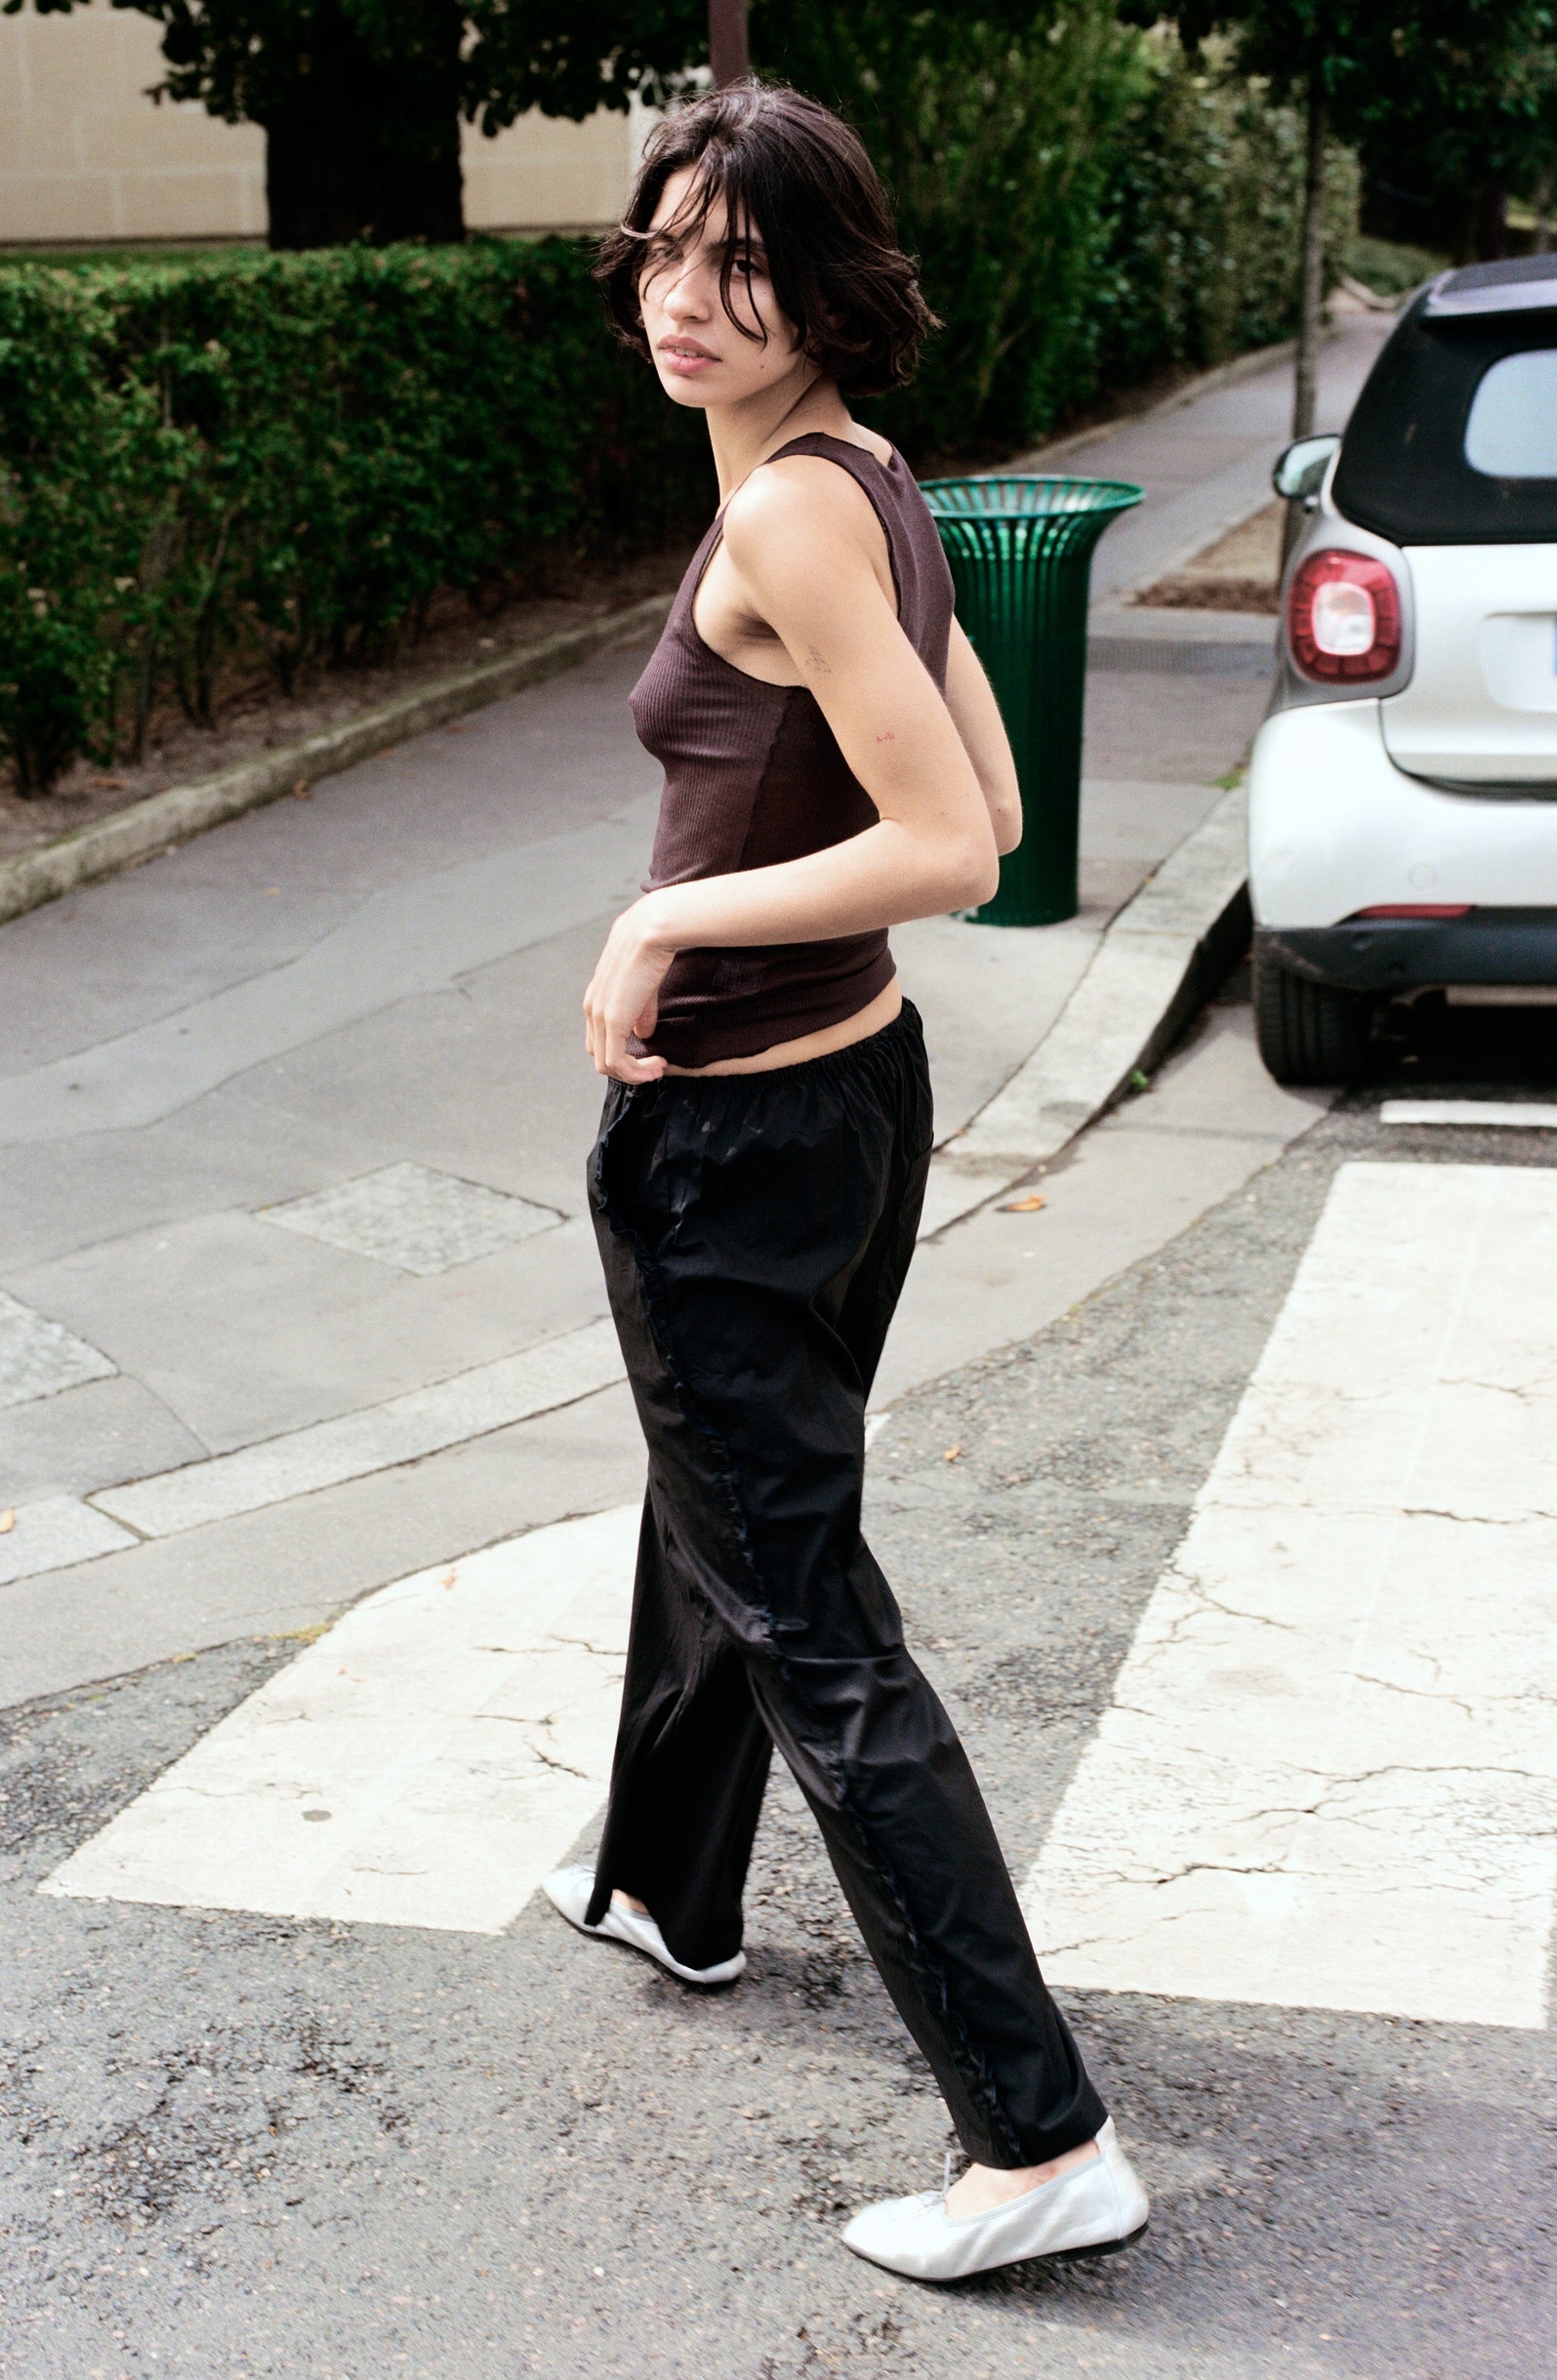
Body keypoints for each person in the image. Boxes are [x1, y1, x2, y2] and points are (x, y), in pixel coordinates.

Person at [541, 80, 1149, 2286]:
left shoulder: (790, 521)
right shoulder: (869, 488)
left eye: (746, 265)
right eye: (666, 253)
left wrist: (662, 920)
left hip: (736, 1133)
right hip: (851, 1098)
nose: (690, 302)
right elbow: (973, 769)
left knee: (806, 1609)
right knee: (721, 1504)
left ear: (825, 288)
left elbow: (961, 844)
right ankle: (668, 1886)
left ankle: (1036, 2132)